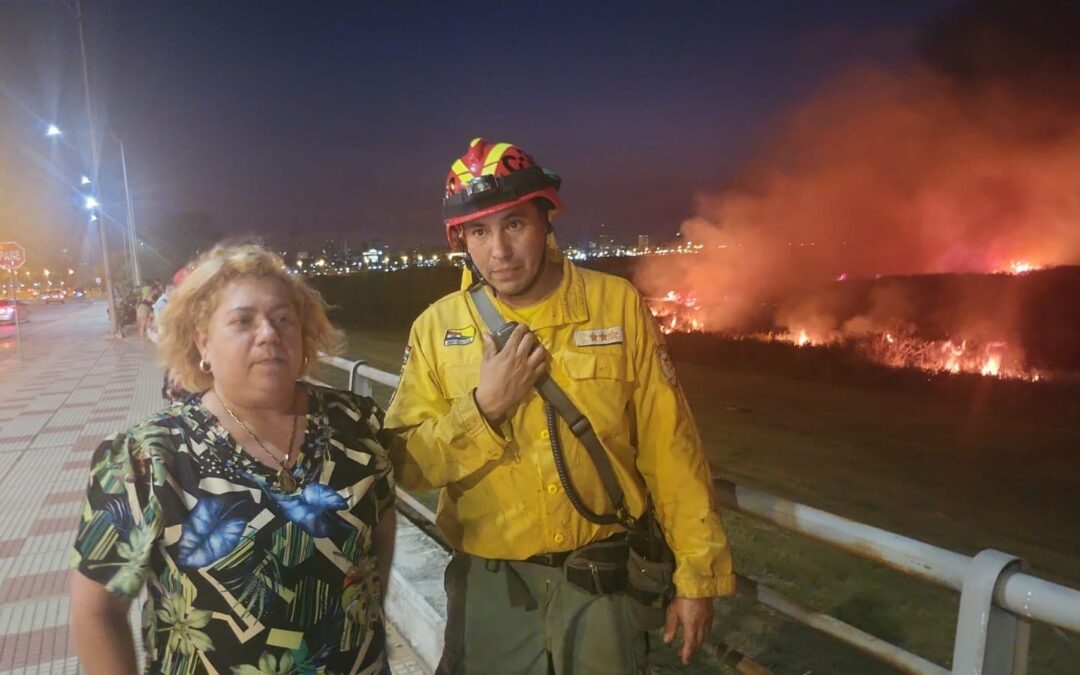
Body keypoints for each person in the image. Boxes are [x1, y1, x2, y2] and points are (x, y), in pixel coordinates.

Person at [385, 138, 734, 674]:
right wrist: (483, 410)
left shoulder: (614, 305)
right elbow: (404, 463)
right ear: (461, 240)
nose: (498, 251)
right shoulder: (437, 328)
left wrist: (697, 575)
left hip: (602, 587)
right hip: (491, 590)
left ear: (546, 219)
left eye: (514, 224)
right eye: (479, 231)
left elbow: (671, 446)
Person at [70, 243, 397, 674]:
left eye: (284, 319)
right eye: (243, 320)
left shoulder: (358, 423)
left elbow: (377, 551)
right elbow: (96, 614)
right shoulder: (147, 458)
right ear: (203, 341)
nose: (269, 333)